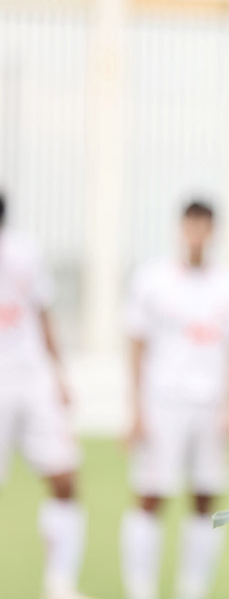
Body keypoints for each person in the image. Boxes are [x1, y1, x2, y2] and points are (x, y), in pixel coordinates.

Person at [120, 201, 229, 599]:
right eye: (191, 225)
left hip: (209, 407)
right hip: (163, 403)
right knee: (151, 494)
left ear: (213, 231)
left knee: (205, 495)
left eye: (204, 226)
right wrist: (136, 410)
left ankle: (193, 589)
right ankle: (140, 588)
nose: (197, 234)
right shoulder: (152, 280)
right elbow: (137, 345)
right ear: (181, 228)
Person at [0, 192, 88, 599]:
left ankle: (60, 583)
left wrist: (59, 375)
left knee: (64, 478)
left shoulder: (24, 250)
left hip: (32, 379)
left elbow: (42, 314)